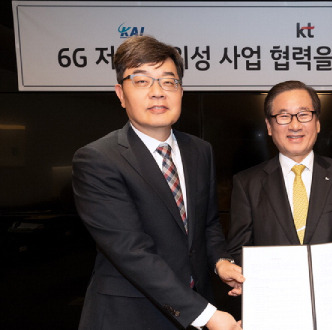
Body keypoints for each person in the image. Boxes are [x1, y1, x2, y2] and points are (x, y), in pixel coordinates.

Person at [72, 35, 243, 330]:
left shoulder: (200, 151)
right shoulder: (97, 159)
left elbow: (208, 223)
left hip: (196, 304)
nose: (157, 92)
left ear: (180, 91)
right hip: (130, 315)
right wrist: (207, 316)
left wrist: (220, 262)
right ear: (120, 93)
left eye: (168, 81)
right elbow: (130, 251)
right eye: (141, 81)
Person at [227, 80, 332, 264]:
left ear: (317, 123)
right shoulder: (246, 183)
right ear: (269, 127)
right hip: (272, 290)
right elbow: (239, 250)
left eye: (303, 114)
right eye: (284, 116)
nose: (295, 125)